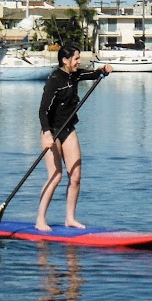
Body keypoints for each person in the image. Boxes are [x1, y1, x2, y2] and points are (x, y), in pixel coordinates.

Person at [36, 45, 112, 231]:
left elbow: (92, 75)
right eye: (76, 58)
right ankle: (40, 220)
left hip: (68, 128)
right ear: (65, 60)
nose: (79, 62)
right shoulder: (54, 80)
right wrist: (46, 133)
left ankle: (70, 218)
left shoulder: (75, 74)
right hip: (52, 131)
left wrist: (103, 71)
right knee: (56, 176)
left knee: (76, 176)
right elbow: (43, 110)